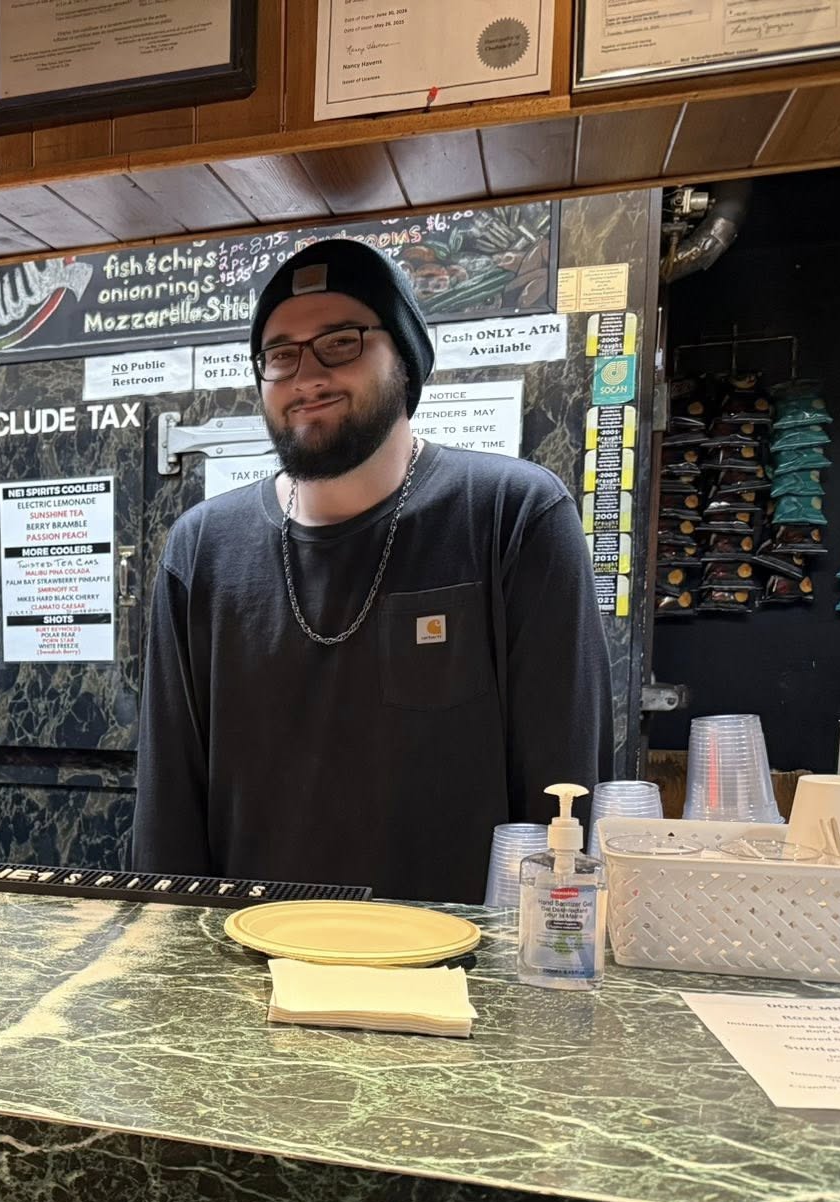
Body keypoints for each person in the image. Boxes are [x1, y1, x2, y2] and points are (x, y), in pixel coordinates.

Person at [133, 238, 611, 904]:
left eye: (341, 343)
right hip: (249, 956)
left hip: (453, 960)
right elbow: (168, 812)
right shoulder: (202, 550)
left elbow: (563, 794)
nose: (306, 376)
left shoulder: (514, 516)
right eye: (280, 354)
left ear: (405, 361)